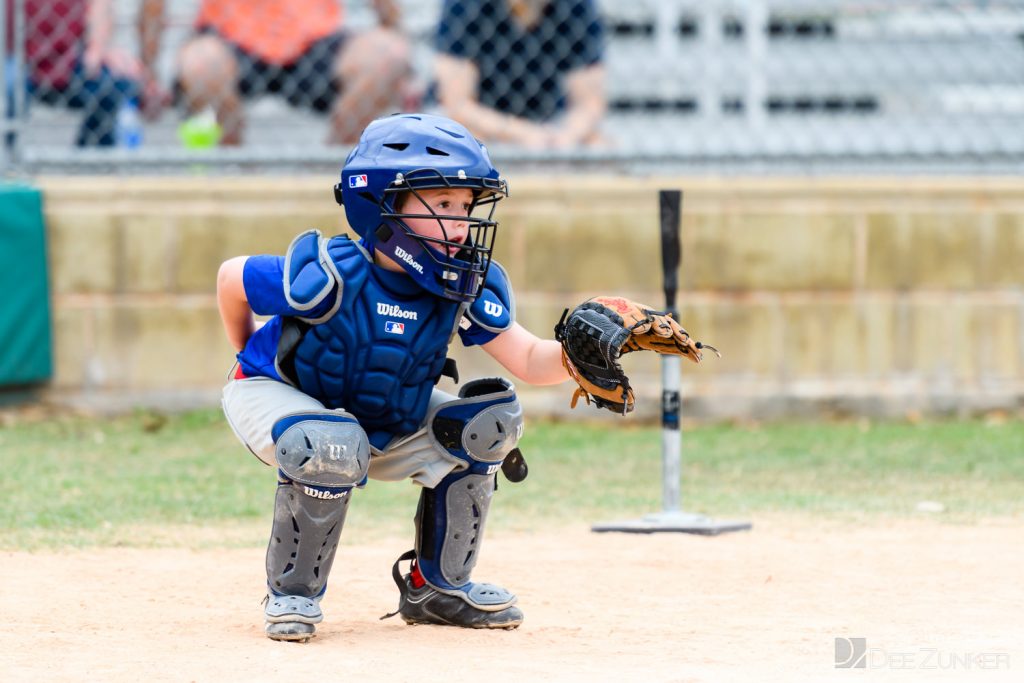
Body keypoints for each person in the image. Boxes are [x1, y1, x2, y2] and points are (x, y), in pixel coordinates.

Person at [216, 113, 572, 642]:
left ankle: (438, 589)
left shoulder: (460, 285)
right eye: (442, 204)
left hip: (379, 413)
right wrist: (245, 349)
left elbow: (529, 360)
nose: (460, 222)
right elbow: (231, 278)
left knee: (488, 424)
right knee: (330, 443)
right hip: (277, 394)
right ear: (383, 204)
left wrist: (582, 355)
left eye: (466, 205)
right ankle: (293, 594)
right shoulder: (330, 271)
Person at [154, 0, 410, 146]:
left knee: (388, 55)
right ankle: (232, 171)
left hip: (314, 38)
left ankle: (334, 172)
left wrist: (405, 75)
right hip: (231, 34)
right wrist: (150, 74)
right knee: (201, 62)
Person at [433, 0, 607, 149]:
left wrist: (565, 136)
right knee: (464, 140)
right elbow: (457, 105)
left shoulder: (576, 5)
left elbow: (589, 103)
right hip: (484, 122)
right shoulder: (466, 5)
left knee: (599, 145)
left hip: (550, 122)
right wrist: (521, 132)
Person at [4, 0, 165, 147]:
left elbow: (100, 11)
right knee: (10, 82)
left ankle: (91, 159)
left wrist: (99, 49)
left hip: (69, 62)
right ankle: (7, 158)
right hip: (22, 62)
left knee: (118, 85)